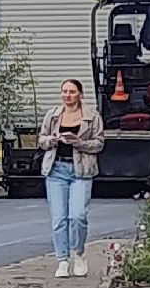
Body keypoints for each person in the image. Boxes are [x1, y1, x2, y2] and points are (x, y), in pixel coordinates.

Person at [39, 78, 105, 277]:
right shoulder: (52, 115)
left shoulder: (92, 117)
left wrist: (79, 143)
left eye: (72, 92)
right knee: (59, 218)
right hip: (56, 169)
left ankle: (79, 253)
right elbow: (41, 139)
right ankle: (62, 260)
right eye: (64, 91)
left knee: (77, 216)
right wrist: (51, 140)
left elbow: (99, 143)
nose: (68, 95)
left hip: (81, 171)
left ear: (80, 94)